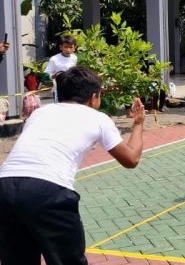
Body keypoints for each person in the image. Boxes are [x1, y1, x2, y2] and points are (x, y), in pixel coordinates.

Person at [0, 67, 145, 264]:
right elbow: (131, 159)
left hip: (4, 187)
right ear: (94, 98)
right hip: (48, 191)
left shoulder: (39, 113)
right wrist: (138, 124)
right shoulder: (98, 118)